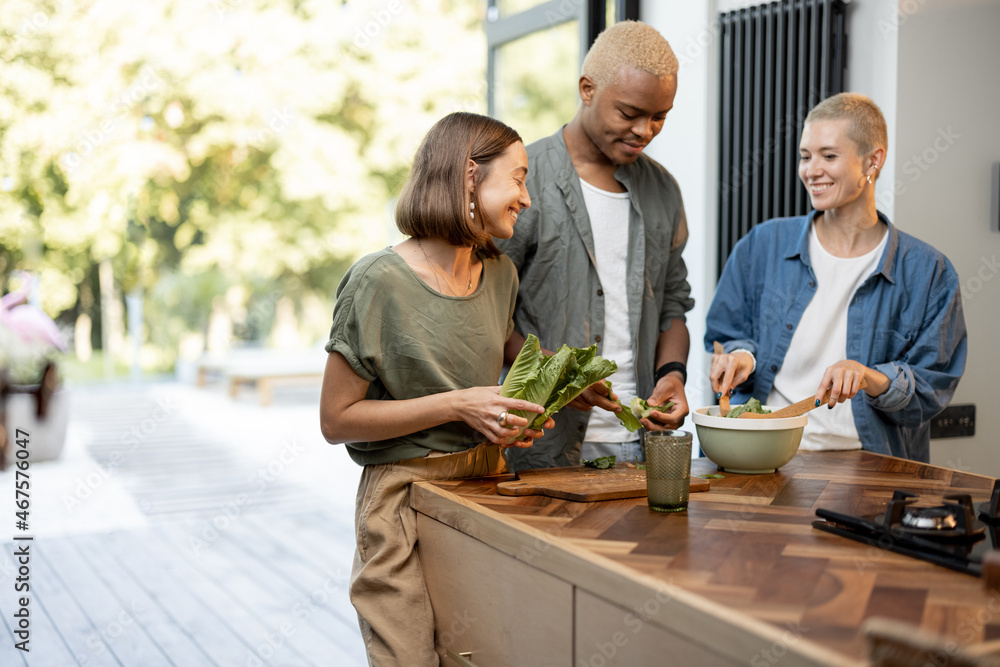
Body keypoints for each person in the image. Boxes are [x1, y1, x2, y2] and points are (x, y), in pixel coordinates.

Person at [320, 111, 553, 666]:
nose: (526, 197)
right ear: (470, 176)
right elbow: (336, 420)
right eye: (517, 178)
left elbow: (502, 358)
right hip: (403, 498)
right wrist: (458, 405)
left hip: (488, 488)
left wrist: (529, 409)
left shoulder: (500, 274)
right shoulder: (377, 280)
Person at [705, 92, 967, 462]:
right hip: (762, 457)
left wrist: (867, 376)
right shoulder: (762, 244)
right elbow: (725, 334)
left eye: (829, 156)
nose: (811, 170)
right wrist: (740, 356)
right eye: (805, 156)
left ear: (872, 161)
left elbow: (931, 391)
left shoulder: (929, 273)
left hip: (868, 463)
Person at [496, 20, 695, 471]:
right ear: (587, 89)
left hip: (639, 442)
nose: (645, 130)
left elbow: (672, 307)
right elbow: (486, 317)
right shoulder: (524, 181)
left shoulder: (664, 191)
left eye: (660, 116)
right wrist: (566, 378)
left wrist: (673, 375)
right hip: (539, 442)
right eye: (629, 113)